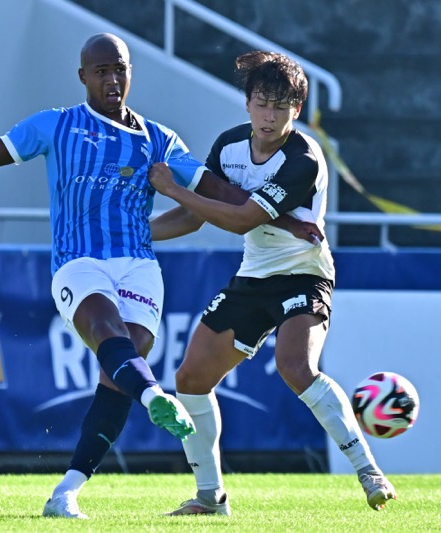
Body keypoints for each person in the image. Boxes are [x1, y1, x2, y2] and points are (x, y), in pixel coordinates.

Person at [0, 33, 319, 520]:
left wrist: (288, 219)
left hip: (139, 264)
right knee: (109, 332)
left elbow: (223, 193)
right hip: (78, 261)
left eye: (119, 69)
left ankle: (67, 490)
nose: (112, 79)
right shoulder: (55, 126)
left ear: (130, 73)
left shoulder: (159, 140)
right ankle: (154, 396)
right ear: (83, 76)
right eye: (101, 71)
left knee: (124, 362)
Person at [148, 50, 396, 514]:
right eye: (262, 102)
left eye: (281, 106)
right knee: (190, 379)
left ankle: (368, 471)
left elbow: (242, 220)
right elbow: (194, 217)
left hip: (304, 272)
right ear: (246, 103)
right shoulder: (228, 147)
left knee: (295, 366)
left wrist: (174, 188)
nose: (269, 114)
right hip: (253, 276)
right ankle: (210, 498)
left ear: (296, 111)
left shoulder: (304, 158)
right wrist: (136, 235)